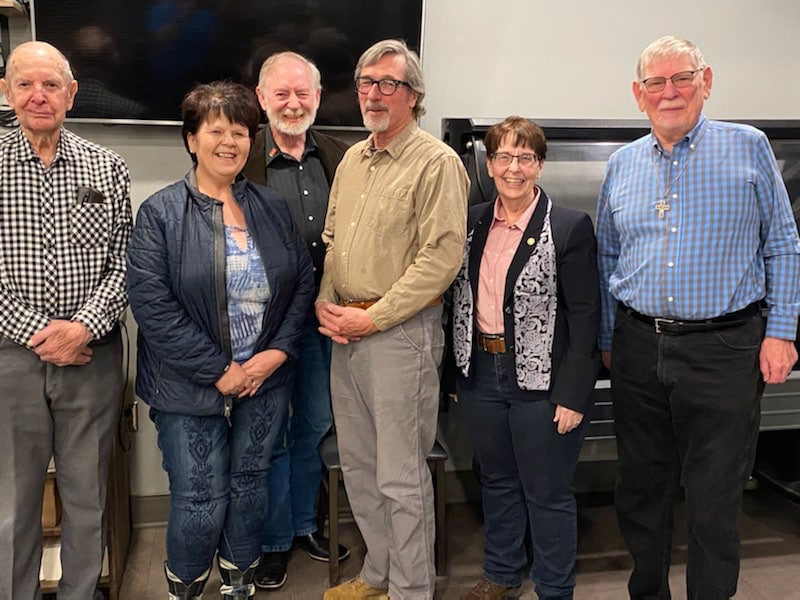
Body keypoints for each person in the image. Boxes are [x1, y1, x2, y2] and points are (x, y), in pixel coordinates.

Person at [596, 35, 800, 600]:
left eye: (682, 78)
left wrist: (782, 332)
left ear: (705, 82)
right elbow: (608, 255)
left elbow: (783, 245)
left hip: (725, 349)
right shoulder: (622, 164)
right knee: (641, 490)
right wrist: (610, 336)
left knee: (714, 496)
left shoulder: (748, 147)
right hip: (638, 346)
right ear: (638, 94)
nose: (670, 92)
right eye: (656, 82)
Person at [126, 81, 314, 599]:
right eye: (216, 131)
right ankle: (185, 588)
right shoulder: (161, 213)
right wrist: (220, 369)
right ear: (191, 139)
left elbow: (302, 283)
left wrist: (274, 355)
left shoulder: (271, 207)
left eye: (240, 132)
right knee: (199, 499)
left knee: (251, 484)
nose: (229, 142)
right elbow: (152, 305)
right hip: (188, 385)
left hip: (265, 381)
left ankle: (239, 583)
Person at [315, 39, 469, 600]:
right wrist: (326, 300)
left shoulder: (437, 163)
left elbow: (441, 260)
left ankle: (410, 590)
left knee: (400, 476)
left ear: (413, 95)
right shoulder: (353, 159)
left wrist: (373, 318)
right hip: (346, 334)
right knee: (359, 466)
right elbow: (333, 241)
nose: (373, 95)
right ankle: (377, 575)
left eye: (388, 84)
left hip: (401, 336)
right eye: (366, 83)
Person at [0, 41, 132, 600]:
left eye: (51, 84)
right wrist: (37, 333)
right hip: (11, 358)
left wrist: (82, 328)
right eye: (25, 84)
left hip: (91, 356)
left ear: (71, 94)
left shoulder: (107, 167)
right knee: (12, 502)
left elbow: (124, 263)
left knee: (87, 498)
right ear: (6, 92)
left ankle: (81, 593)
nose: (39, 95)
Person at [451, 116, 600, 600]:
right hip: (481, 376)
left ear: (539, 165)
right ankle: (502, 574)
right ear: (488, 164)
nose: (512, 168)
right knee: (496, 481)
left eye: (524, 157)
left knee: (547, 492)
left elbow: (585, 316)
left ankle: (554, 589)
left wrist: (574, 394)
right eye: (503, 157)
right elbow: (455, 300)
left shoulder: (569, 226)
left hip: (545, 385)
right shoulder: (471, 221)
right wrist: (456, 374)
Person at [241, 50, 351, 590]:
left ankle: (306, 523)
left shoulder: (340, 156)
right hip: (262, 327)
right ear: (261, 98)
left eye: (301, 93)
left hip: (324, 321)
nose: (292, 104)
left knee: (314, 424)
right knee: (268, 433)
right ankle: (273, 541)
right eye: (280, 94)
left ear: (318, 97)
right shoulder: (241, 155)